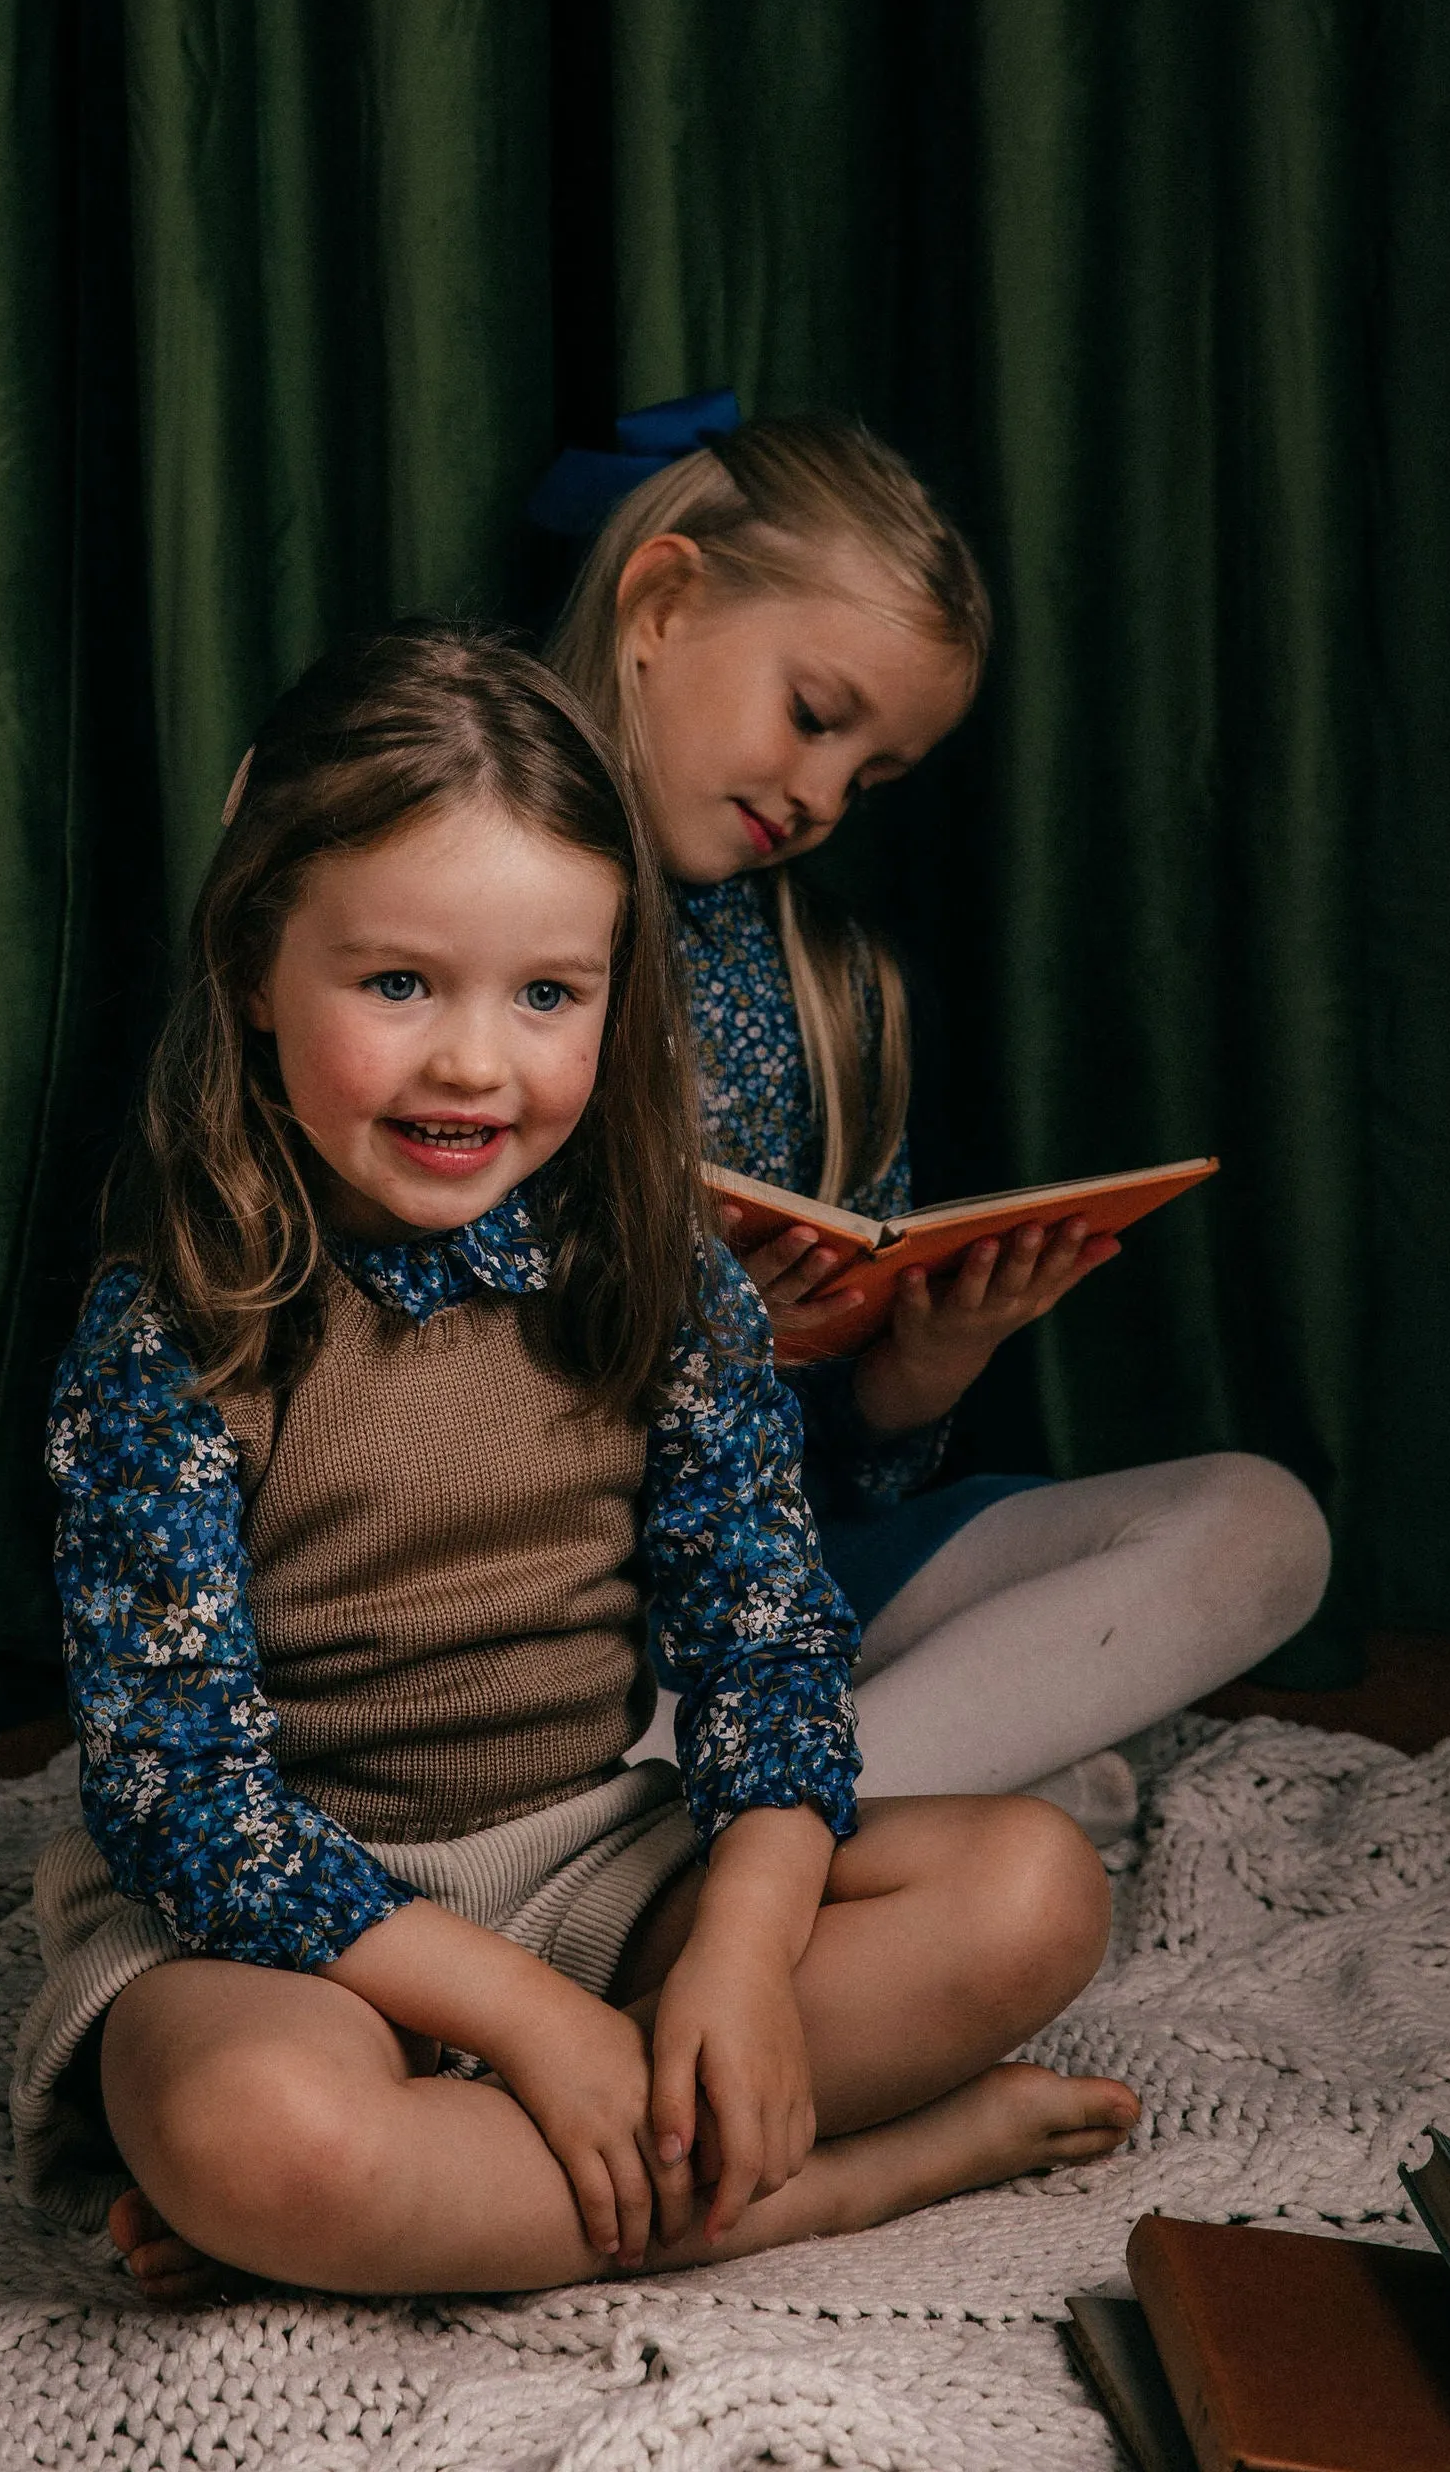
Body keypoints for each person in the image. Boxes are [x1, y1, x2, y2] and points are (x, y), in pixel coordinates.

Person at [10, 627, 1138, 2302]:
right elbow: (185, 1806)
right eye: (398, 984)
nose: (476, 1061)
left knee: (1036, 1888)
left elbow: (764, 1644)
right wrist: (533, 2024)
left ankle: (475, 2186)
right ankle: (833, 2182)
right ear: (256, 965)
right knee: (266, 2138)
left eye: (548, 994)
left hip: (596, 1860)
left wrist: (743, 1970)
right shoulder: (169, 1329)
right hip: (288, 1921)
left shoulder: (657, 1268)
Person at [549, 413, 1331, 1839]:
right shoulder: (468, 906)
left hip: (785, 1580)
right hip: (551, 1611)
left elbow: (846, 1470)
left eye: (877, 774)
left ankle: (703, 1827)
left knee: (1263, 1524)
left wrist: (919, 1368)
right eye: (814, 714)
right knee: (1051, 1809)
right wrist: (701, 1335)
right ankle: (842, 1801)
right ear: (659, 606)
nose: (828, 797)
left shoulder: (834, 989)